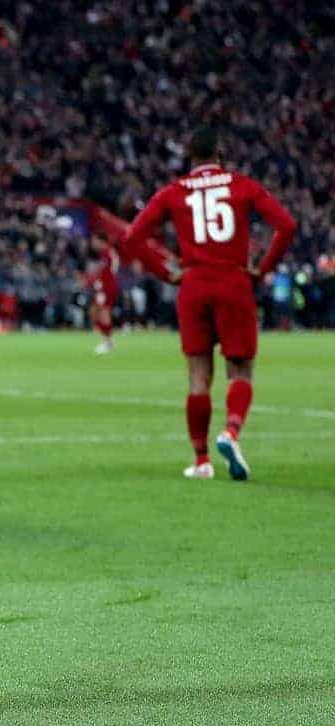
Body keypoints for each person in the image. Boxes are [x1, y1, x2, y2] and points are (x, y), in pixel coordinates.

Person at [122, 128, 296, 481]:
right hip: (234, 282)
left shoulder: (174, 192)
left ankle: (201, 461)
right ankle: (230, 432)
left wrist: (166, 273)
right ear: (219, 153)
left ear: (189, 156)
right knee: (240, 369)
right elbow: (287, 225)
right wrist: (263, 270)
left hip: (193, 285)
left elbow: (132, 237)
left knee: (198, 376)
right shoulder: (242, 185)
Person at [86, 234, 120, 354]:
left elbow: (107, 271)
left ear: (101, 240)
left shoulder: (108, 253)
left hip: (107, 287)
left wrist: (93, 280)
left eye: (94, 241)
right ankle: (107, 340)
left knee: (103, 311)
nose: (93, 244)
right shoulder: (106, 253)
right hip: (104, 286)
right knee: (94, 312)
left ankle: (108, 342)